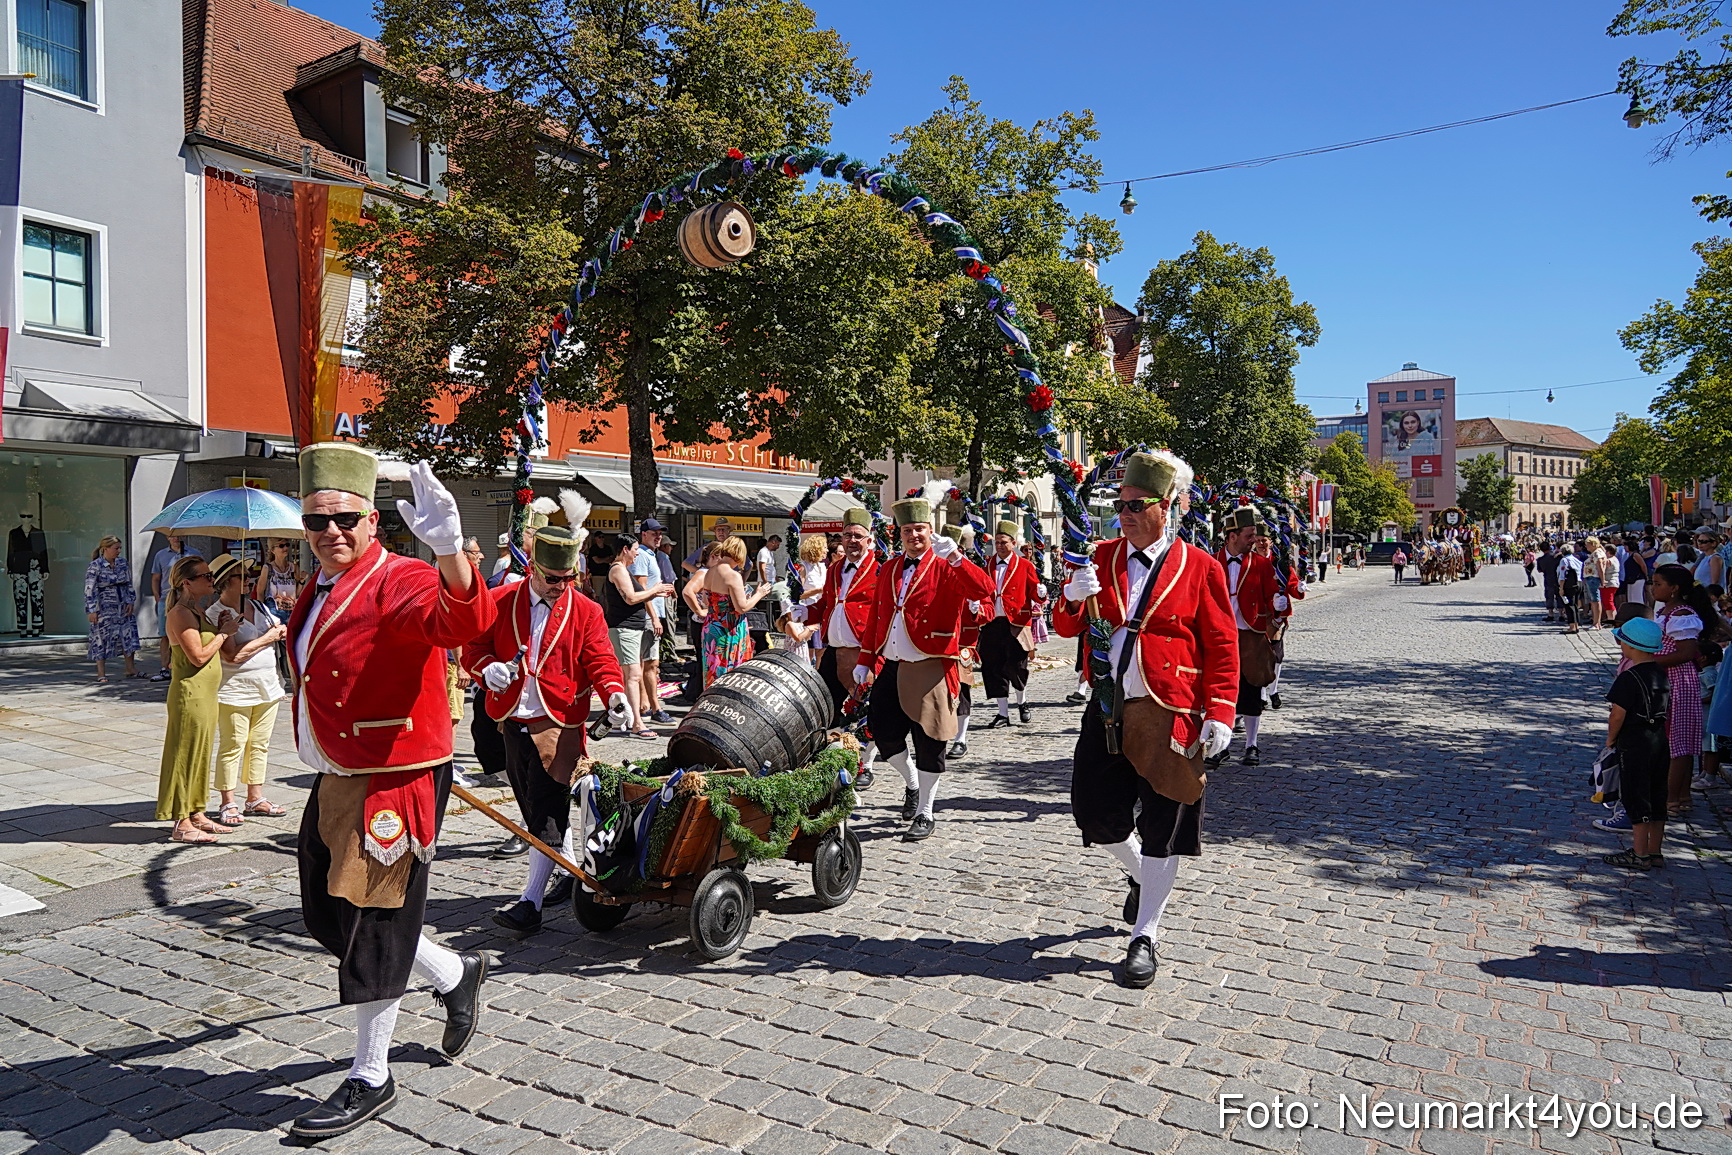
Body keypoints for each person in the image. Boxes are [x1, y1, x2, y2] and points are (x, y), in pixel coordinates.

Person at [283, 443, 496, 1142]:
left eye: (345, 518)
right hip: (339, 772)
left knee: (374, 924)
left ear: (373, 520)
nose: (332, 532)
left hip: (397, 773)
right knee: (325, 913)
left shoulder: (400, 578)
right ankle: (451, 971)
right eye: (317, 522)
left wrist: (451, 553)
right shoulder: (314, 588)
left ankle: (371, 1075)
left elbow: (462, 620)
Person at [1054, 450, 1237, 989]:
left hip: (1173, 711)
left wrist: (1222, 712)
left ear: (1169, 506)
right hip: (1108, 708)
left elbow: (1222, 646)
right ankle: (1141, 876)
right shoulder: (1100, 557)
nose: (1124, 513)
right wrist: (1069, 596)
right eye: (1120, 504)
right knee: (1094, 814)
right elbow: (1068, 627)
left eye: (1136, 504)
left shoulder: (1199, 567)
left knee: (1164, 825)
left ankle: (1145, 935)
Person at [466, 525, 629, 937]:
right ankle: (571, 873)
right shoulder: (501, 598)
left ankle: (530, 902)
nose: (561, 587)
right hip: (511, 719)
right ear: (532, 568)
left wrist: (613, 694)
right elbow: (474, 648)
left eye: (568, 578)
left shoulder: (587, 610)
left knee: (547, 808)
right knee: (534, 808)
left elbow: (601, 659)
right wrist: (487, 669)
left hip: (560, 723)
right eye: (553, 579)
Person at [853, 481, 994, 842]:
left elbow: (984, 591)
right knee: (882, 734)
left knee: (930, 742)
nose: (914, 535)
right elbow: (877, 618)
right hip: (893, 665)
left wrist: (958, 560)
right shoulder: (889, 568)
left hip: (932, 664)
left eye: (919, 529)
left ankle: (925, 811)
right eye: (907, 530)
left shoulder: (947, 565)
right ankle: (912, 783)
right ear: (899, 534)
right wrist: (865, 659)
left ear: (930, 530)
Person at [206, 552, 289, 826]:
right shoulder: (216, 614)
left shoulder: (258, 605)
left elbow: (276, 633)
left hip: (268, 685)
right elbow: (231, 656)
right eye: (240, 576)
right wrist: (268, 637)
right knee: (232, 745)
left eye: (248, 574)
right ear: (224, 582)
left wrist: (280, 630)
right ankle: (228, 801)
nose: (247, 579)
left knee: (260, 745)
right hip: (235, 689)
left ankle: (255, 797)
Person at [157, 554, 234, 842]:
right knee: (184, 754)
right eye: (206, 576)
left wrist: (223, 625)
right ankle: (180, 820)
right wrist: (223, 634)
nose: (212, 580)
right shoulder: (179, 613)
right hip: (190, 694)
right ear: (187, 583)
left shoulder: (199, 612)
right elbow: (198, 656)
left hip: (206, 694)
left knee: (201, 754)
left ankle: (197, 811)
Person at [1211, 507, 1289, 767]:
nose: (1253, 540)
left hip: (1251, 634)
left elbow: (1273, 596)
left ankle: (1251, 745)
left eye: (1255, 536)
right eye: (1248, 535)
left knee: (1251, 690)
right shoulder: (1210, 562)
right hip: (1219, 637)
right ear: (1231, 536)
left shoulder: (1261, 564)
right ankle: (1220, 747)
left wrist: (1278, 606)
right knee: (1220, 693)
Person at [1649, 564, 1721, 821]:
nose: (1653, 587)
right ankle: (1682, 797)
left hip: (1677, 680)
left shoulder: (1681, 615)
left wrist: (1650, 661)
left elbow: (1686, 653)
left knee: (1677, 742)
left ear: (1674, 588)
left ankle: (1671, 798)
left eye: (1658, 584)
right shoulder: (1668, 611)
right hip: (1669, 679)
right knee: (1677, 739)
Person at [1601, 617, 1672, 870]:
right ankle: (1655, 851)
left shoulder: (1628, 678)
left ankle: (1639, 853)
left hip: (1634, 742)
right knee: (1657, 794)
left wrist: (1611, 739)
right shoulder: (1660, 675)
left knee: (1636, 794)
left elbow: (1617, 714)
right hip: (1659, 741)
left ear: (1631, 646)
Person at [602, 533, 674, 739]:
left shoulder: (622, 569)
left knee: (631, 674)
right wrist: (655, 589)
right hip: (625, 629)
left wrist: (655, 593)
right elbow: (632, 598)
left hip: (631, 629)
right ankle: (637, 723)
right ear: (625, 549)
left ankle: (625, 720)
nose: (636, 554)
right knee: (632, 676)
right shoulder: (617, 569)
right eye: (634, 549)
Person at [977, 520, 1042, 728]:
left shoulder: (1025, 565)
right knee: (993, 667)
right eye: (996, 542)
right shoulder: (987, 565)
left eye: (1003, 542)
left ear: (1013, 543)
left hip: (1016, 622)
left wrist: (1041, 594)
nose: (999, 546)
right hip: (991, 622)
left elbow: (1034, 591)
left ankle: (1022, 702)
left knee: (1016, 666)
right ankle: (1002, 713)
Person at [702, 535, 772, 687]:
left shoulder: (710, 571)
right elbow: (742, 608)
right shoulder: (733, 576)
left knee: (713, 668)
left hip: (711, 625)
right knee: (729, 672)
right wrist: (759, 594)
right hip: (729, 628)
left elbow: (706, 600)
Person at [632, 518, 674, 725]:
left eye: (660, 533)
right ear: (644, 534)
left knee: (645, 663)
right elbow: (641, 590)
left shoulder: (650, 555)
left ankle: (645, 705)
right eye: (654, 533)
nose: (658, 536)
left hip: (651, 615)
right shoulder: (642, 556)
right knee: (650, 664)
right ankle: (655, 708)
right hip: (648, 617)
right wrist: (654, 617)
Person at [85, 536, 140, 682]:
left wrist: (130, 600)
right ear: (106, 549)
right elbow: (89, 589)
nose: (119, 551)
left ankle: (130, 668)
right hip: (104, 606)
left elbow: (128, 582)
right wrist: (91, 610)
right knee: (101, 637)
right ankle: (101, 673)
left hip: (122, 604)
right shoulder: (95, 566)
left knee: (128, 635)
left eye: (120, 548)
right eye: (116, 548)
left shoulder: (122, 563)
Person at [149, 533, 202, 681]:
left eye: (178, 535)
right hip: (166, 599)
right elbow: (155, 578)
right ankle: (164, 668)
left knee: (189, 632)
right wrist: (157, 597)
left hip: (188, 599)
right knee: (165, 634)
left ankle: (184, 665)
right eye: (172, 536)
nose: (176, 538)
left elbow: (203, 575)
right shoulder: (161, 555)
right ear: (167, 538)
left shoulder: (193, 553)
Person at [255, 538, 307, 625]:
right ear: (273, 550)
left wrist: (302, 581)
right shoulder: (267, 568)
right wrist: (261, 613)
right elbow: (260, 592)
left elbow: (296, 594)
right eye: (281, 546)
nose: (285, 548)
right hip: (273, 610)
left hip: (291, 611)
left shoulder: (293, 567)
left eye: (287, 545)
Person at [1583, 536, 1613, 629]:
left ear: (1593, 544)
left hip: (1593, 577)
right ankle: (1595, 622)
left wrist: (1602, 579)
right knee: (1594, 600)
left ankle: (1596, 623)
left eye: (1587, 545)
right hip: (1591, 577)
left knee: (1595, 600)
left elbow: (1600, 567)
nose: (1586, 547)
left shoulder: (1597, 553)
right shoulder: (1598, 552)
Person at [1558, 544, 1585, 633]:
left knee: (1569, 605)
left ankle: (1572, 626)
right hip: (1579, 582)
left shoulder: (1564, 560)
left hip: (1570, 584)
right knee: (1576, 605)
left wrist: (1561, 588)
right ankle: (1576, 625)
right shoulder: (1576, 559)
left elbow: (1562, 576)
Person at [1536, 543, 1561, 621]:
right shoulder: (1557, 557)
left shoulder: (1540, 559)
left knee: (1549, 596)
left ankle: (1551, 613)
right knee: (1559, 595)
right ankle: (1562, 613)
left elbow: (1540, 570)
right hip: (1558, 578)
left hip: (1548, 578)